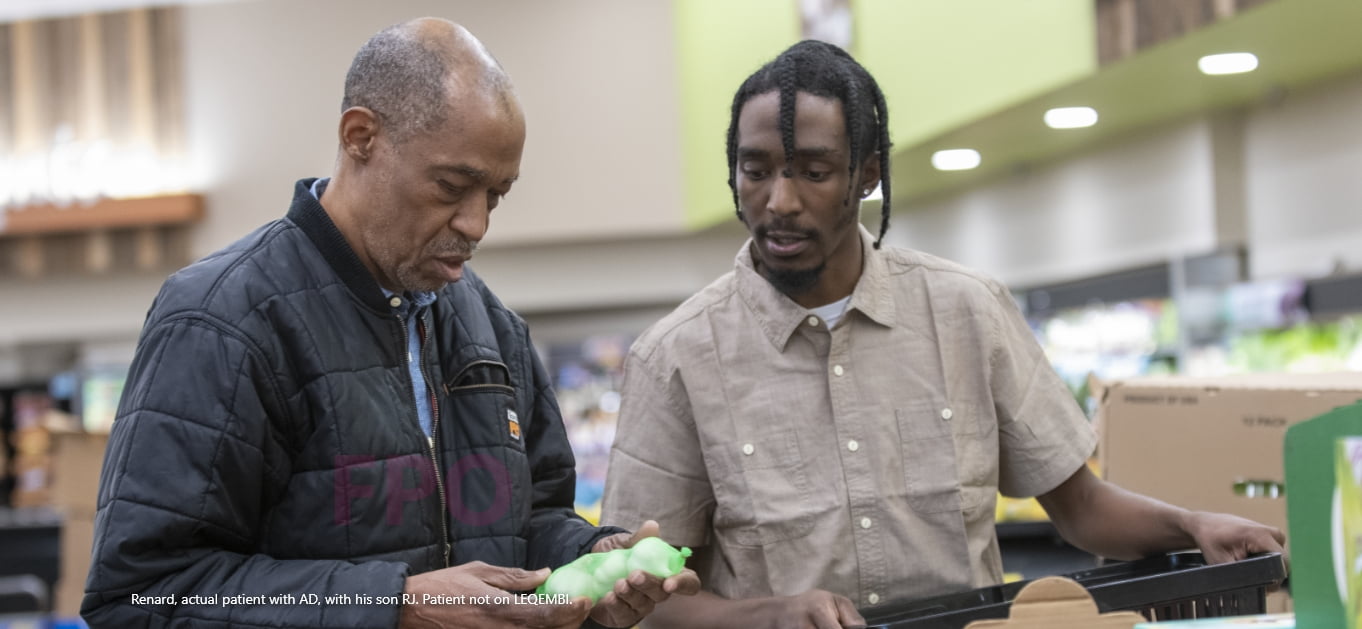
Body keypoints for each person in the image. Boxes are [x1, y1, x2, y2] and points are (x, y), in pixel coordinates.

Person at [598, 40, 1284, 629]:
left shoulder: (967, 311)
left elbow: (1080, 506)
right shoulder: (677, 358)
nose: (779, 200)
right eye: (756, 170)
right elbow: (640, 598)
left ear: (867, 173)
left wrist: (1193, 525)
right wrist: (766, 614)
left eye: (813, 171)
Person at [82, 18, 697, 629]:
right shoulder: (223, 322)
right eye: (452, 186)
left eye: (497, 196)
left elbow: (529, 520)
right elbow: (143, 595)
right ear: (361, 136)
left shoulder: (490, 327)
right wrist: (393, 603)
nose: (477, 224)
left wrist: (586, 562)